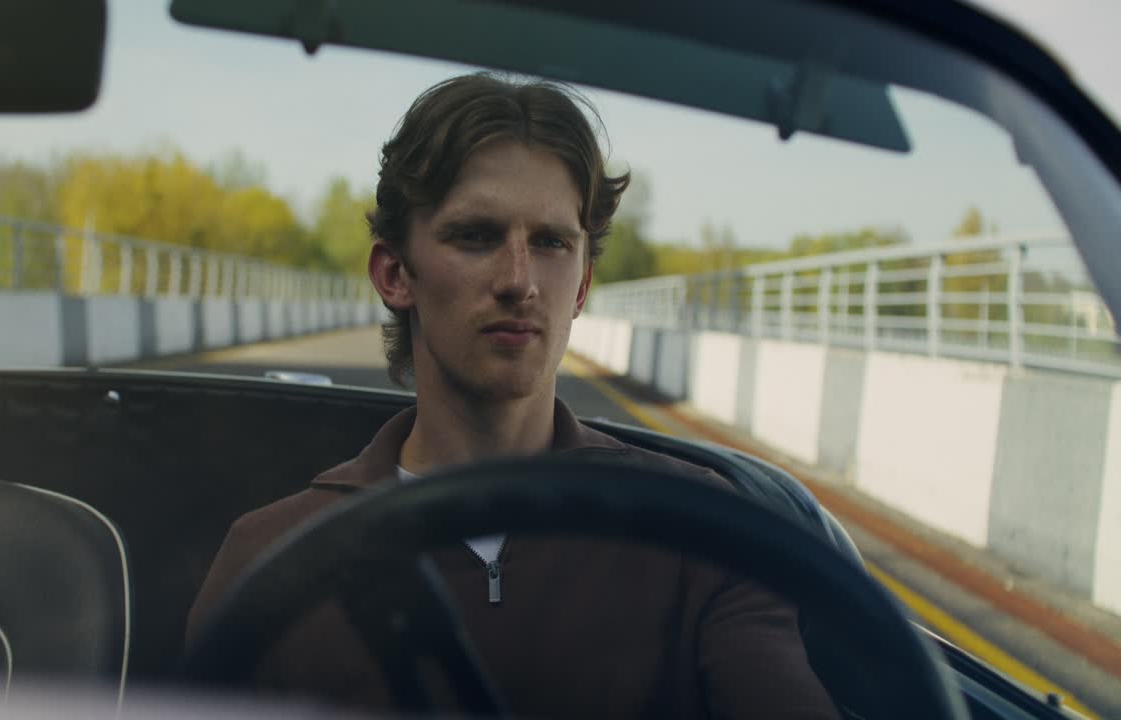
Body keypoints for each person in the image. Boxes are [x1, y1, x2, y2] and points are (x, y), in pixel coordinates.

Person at [187, 73, 838, 718]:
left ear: (581, 286)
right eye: (476, 235)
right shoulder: (269, 556)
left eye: (552, 242)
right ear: (394, 274)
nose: (519, 281)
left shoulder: (701, 531)